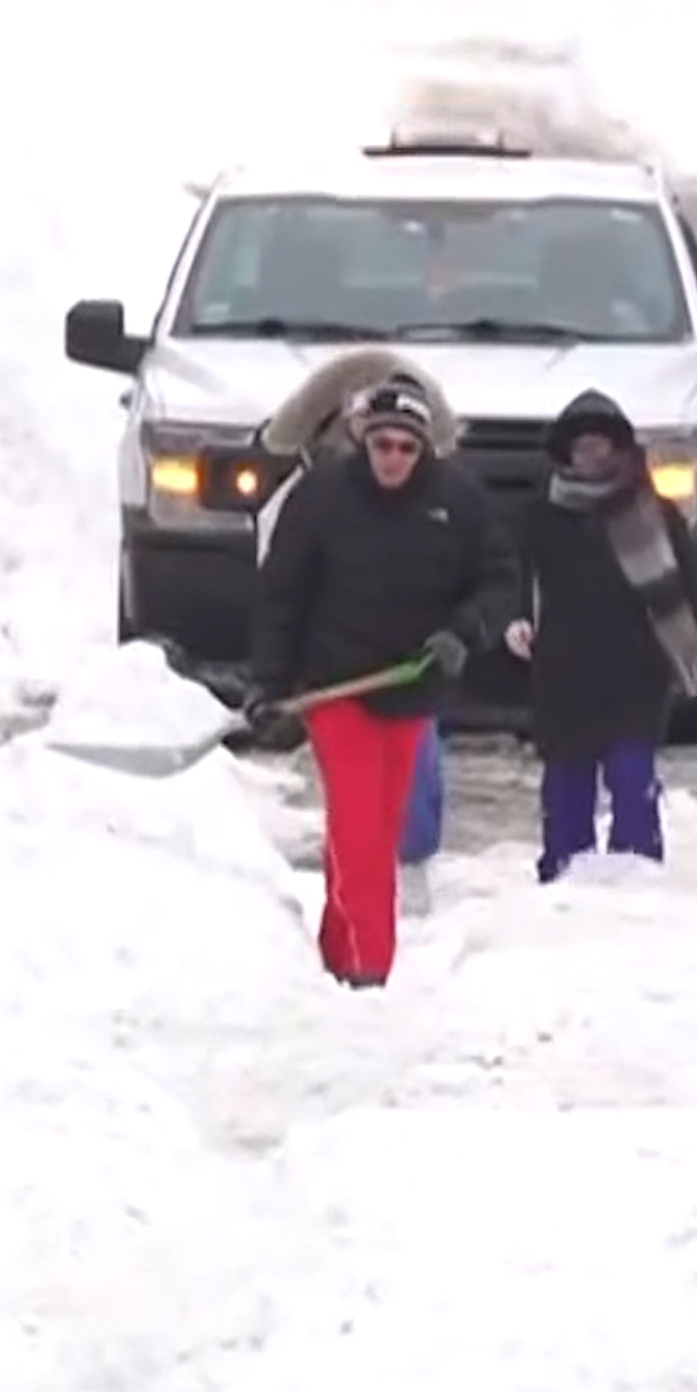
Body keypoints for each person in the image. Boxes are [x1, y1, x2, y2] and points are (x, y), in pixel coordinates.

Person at [248, 371, 517, 987]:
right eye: (382, 444)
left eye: (406, 447)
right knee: (359, 830)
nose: (392, 458)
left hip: (412, 687)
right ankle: (373, 971)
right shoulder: (320, 497)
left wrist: (464, 630)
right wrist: (268, 682)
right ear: (362, 441)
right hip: (337, 688)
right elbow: (281, 595)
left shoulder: (460, 501)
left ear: (423, 449)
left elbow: (501, 578)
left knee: (377, 828)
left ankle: (338, 952)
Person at [257, 345, 454, 911]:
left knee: (414, 761)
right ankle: (358, 879)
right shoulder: (305, 504)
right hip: (334, 664)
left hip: (406, 663)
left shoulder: (434, 505)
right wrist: (278, 674)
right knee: (353, 786)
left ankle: (409, 863)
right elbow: (280, 589)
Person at [504, 390, 697, 882]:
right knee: (567, 786)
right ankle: (563, 874)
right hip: (564, 674)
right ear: (566, 454)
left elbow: (687, 587)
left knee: (631, 778)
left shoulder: (653, 512)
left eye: (602, 447)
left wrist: (682, 652)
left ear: (620, 450)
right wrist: (516, 620)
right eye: (583, 448)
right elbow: (513, 576)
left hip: (636, 674)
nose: (593, 457)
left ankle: (639, 875)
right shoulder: (540, 517)